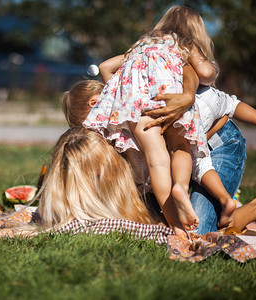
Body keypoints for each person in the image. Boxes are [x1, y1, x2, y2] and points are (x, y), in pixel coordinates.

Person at [62, 74, 256, 234]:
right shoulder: (118, 128)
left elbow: (206, 125)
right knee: (163, 222)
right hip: (189, 157)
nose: (95, 136)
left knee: (198, 231)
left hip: (218, 146)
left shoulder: (140, 106)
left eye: (89, 128)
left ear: (94, 105)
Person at [83, 5, 223, 236]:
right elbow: (207, 74)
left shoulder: (141, 44)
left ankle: (176, 227)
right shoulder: (185, 42)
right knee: (180, 147)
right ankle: (180, 186)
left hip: (137, 101)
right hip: (170, 94)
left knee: (156, 160)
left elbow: (109, 68)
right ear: (194, 30)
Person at [0, 127, 256, 237]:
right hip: (181, 163)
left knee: (199, 233)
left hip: (212, 148)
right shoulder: (92, 154)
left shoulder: (120, 164)